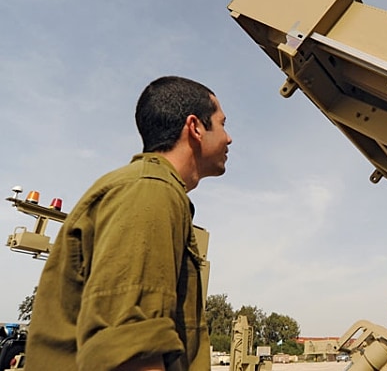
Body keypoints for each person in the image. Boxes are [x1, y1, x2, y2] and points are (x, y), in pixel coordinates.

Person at [25, 76, 232, 370]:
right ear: (195, 127)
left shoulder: (149, 186)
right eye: (222, 124)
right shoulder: (151, 189)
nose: (228, 138)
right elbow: (132, 352)